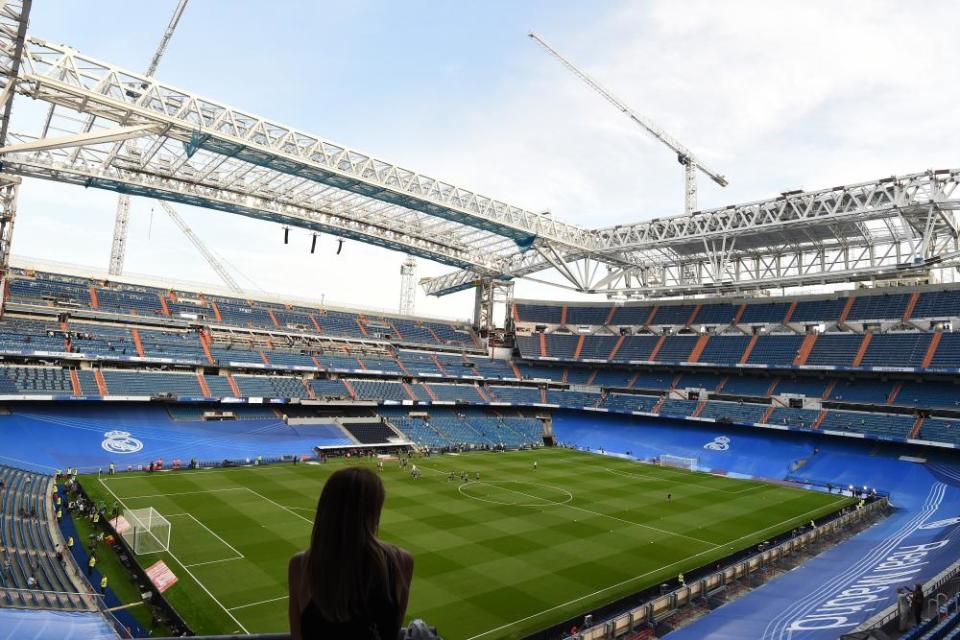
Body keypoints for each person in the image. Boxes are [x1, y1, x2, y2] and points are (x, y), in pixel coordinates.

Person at [288, 467, 414, 640]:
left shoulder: (300, 565)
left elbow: (298, 635)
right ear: (373, 511)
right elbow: (391, 631)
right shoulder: (401, 562)